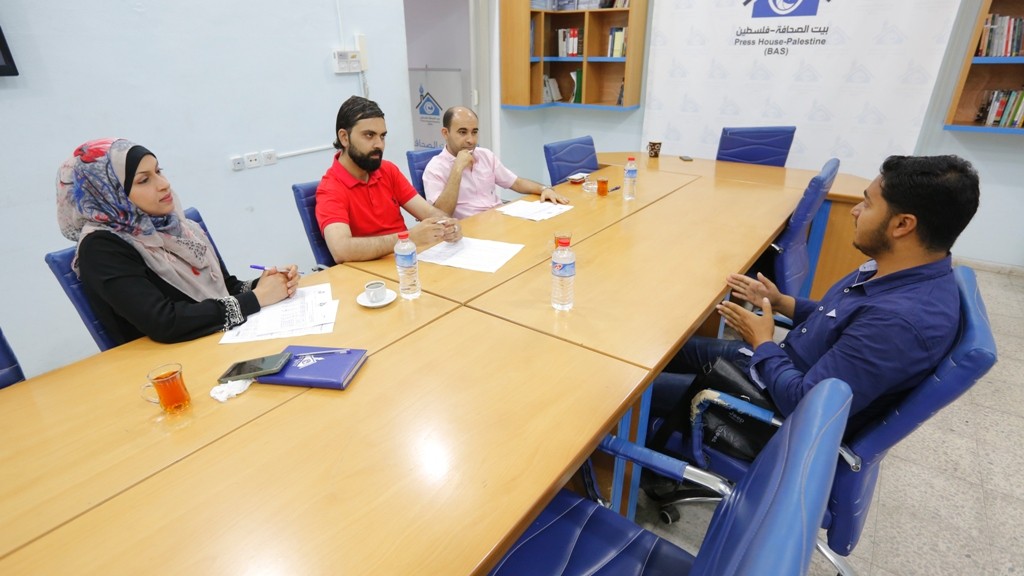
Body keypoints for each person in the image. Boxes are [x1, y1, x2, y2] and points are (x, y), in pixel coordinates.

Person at [651, 155, 981, 436]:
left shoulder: (898, 324)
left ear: (902, 225)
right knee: (662, 353)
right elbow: (837, 318)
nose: (855, 210)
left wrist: (763, 342)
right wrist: (781, 302)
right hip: (777, 366)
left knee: (634, 389)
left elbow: (804, 405)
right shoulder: (894, 270)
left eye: (867, 203)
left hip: (770, 411)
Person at [56, 138, 299, 346]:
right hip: (165, 366)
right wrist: (257, 298)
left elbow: (225, 287)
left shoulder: (178, 227)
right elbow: (165, 322)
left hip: (215, 341)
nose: (164, 184)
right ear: (108, 193)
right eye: (143, 180)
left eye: (158, 171)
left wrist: (264, 284)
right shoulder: (101, 248)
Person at [316, 96, 461, 263]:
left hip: (408, 261)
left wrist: (449, 224)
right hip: (371, 273)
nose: (379, 144)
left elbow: (429, 213)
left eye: (382, 136)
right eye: (369, 135)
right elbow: (341, 250)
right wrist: (407, 238)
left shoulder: (387, 170)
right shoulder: (330, 188)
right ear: (344, 137)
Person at [423, 106, 569, 219]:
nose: (471, 140)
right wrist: (457, 168)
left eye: (474, 132)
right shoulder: (435, 169)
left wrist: (544, 189)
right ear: (445, 133)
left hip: (498, 219)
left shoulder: (485, 155)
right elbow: (441, 215)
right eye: (462, 132)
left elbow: (516, 182)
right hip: (469, 231)